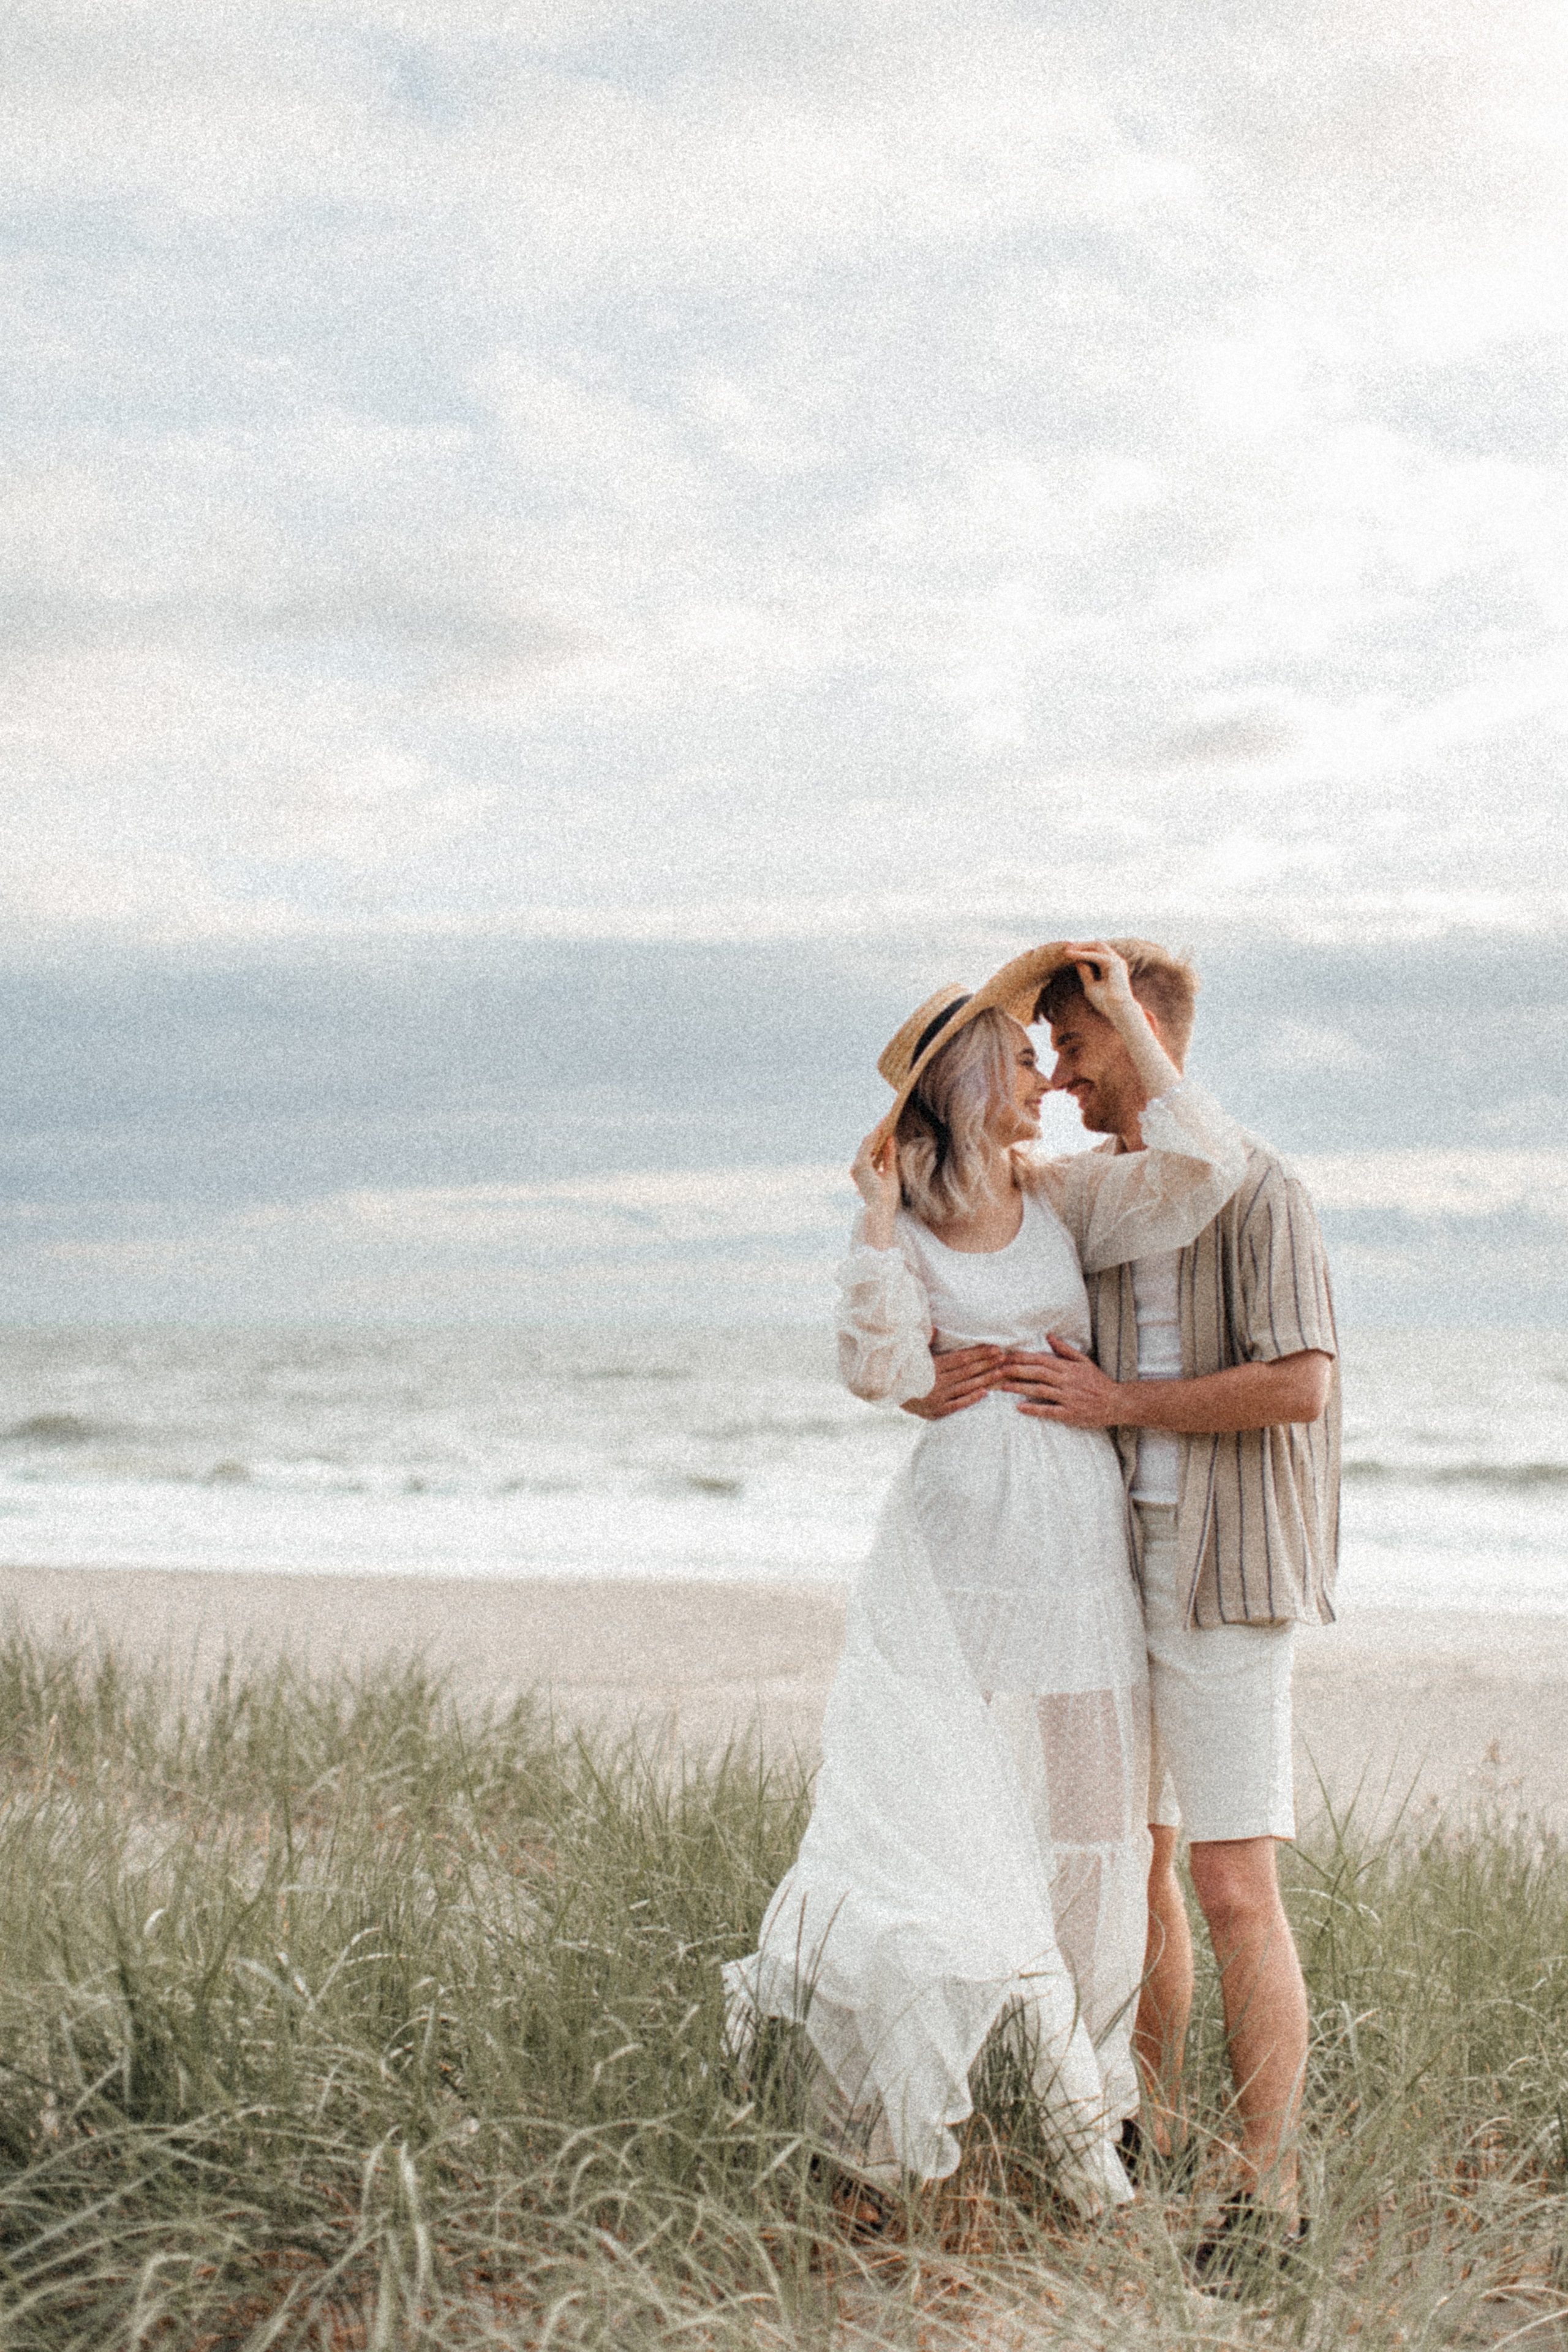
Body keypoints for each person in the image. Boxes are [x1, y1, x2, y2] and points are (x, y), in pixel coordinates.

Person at [724, 943, 1248, 2214]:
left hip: (1072, 1523)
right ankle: (943, 2079)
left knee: (1093, 1815)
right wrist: (881, 1259)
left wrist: (1126, 1008)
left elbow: (1203, 1170)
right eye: (1023, 1058)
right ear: (968, 1080)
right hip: (961, 1530)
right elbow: (871, 1369)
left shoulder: (1062, 1197)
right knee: (950, 1794)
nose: (1044, 1077)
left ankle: (1090, 2100)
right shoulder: (903, 1213)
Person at [922, 938, 1336, 2275]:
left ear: (1135, 1028)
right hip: (1105, 1575)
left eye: (1077, 1046)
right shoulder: (1089, 1199)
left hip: (1226, 1576)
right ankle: (1141, 2138)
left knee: (1229, 1883)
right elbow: (952, 1198)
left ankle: (1266, 2199)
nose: (1062, 1079)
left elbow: (1298, 1387)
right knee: (1132, 1867)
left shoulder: (1260, 1189)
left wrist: (1122, 1406)